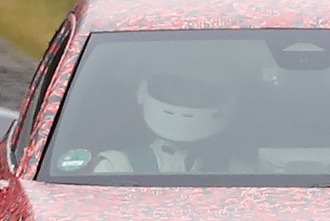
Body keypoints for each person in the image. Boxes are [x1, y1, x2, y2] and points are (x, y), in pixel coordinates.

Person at [92, 69, 237, 174]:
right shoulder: (116, 167)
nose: (185, 99)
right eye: (174, 89)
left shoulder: (243, 172)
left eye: (199, 92)